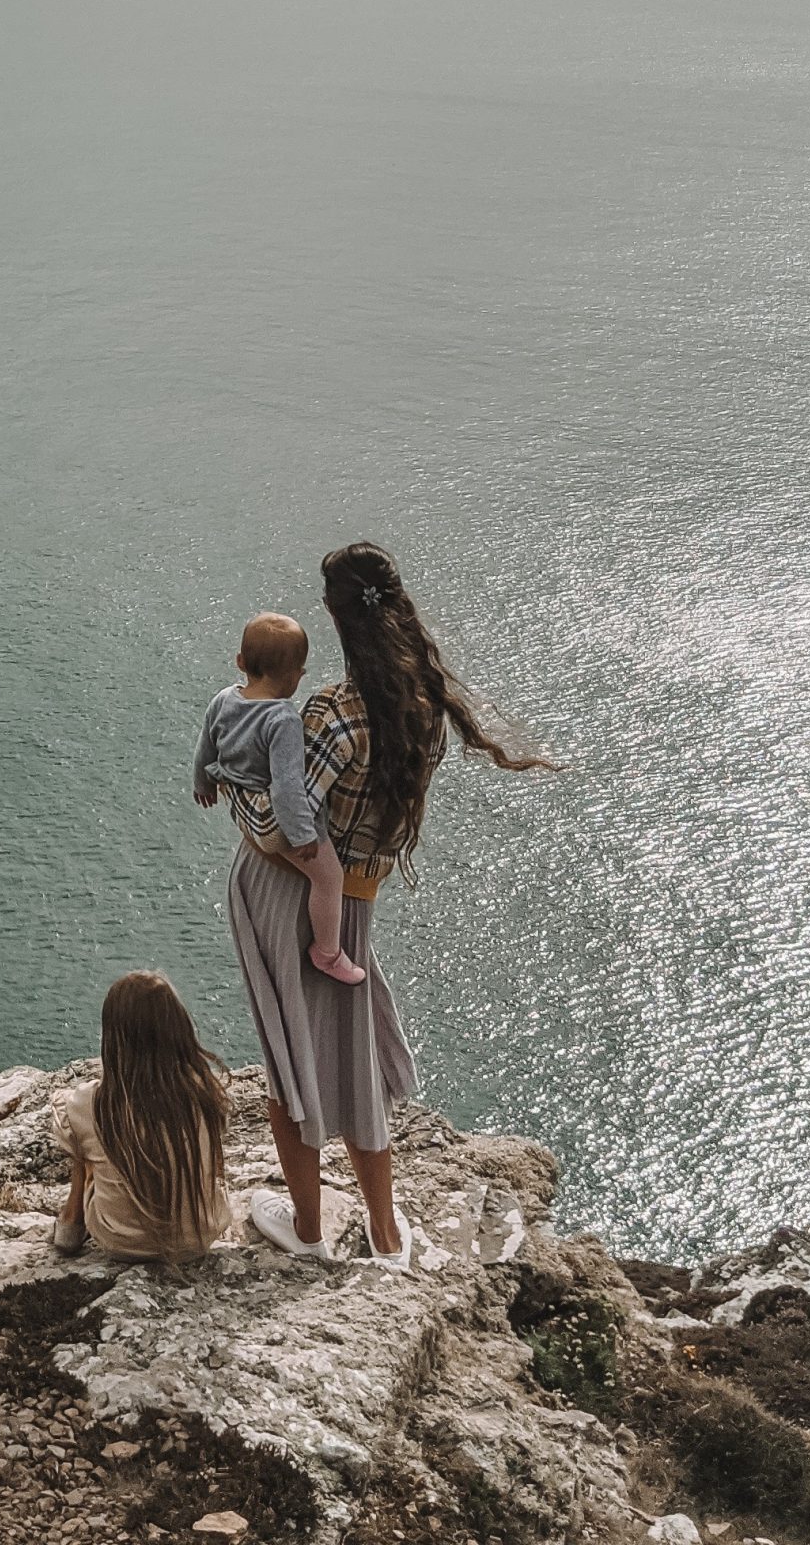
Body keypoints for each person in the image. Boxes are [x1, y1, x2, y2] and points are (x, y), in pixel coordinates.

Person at [214, 543, 554, 1268]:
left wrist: (238, 800)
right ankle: (385, 1231)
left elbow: (284, 825)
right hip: (354, 903)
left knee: (289, 1059)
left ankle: (307, 1229)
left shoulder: (332, 713)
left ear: (337, 619)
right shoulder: (421, 709)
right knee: (352, 1057)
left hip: (284, 899)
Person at [193, 611, 366, 985]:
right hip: (275, 825)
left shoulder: (223, 699)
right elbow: (287, 786)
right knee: (329, 878)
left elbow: (205, 745)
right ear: (294, 678)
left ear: (241, 662)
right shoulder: (283, 719)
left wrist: (202, 785)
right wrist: (302, 834)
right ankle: (328, 953)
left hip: (240, 808)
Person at [49, 971, 235, 1260]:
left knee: (86, 1151)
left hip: (121, 1243)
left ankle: (72, 1222)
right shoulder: (206, 1093)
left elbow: (70, 1120)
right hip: (198, 1240)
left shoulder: (91, 1103)